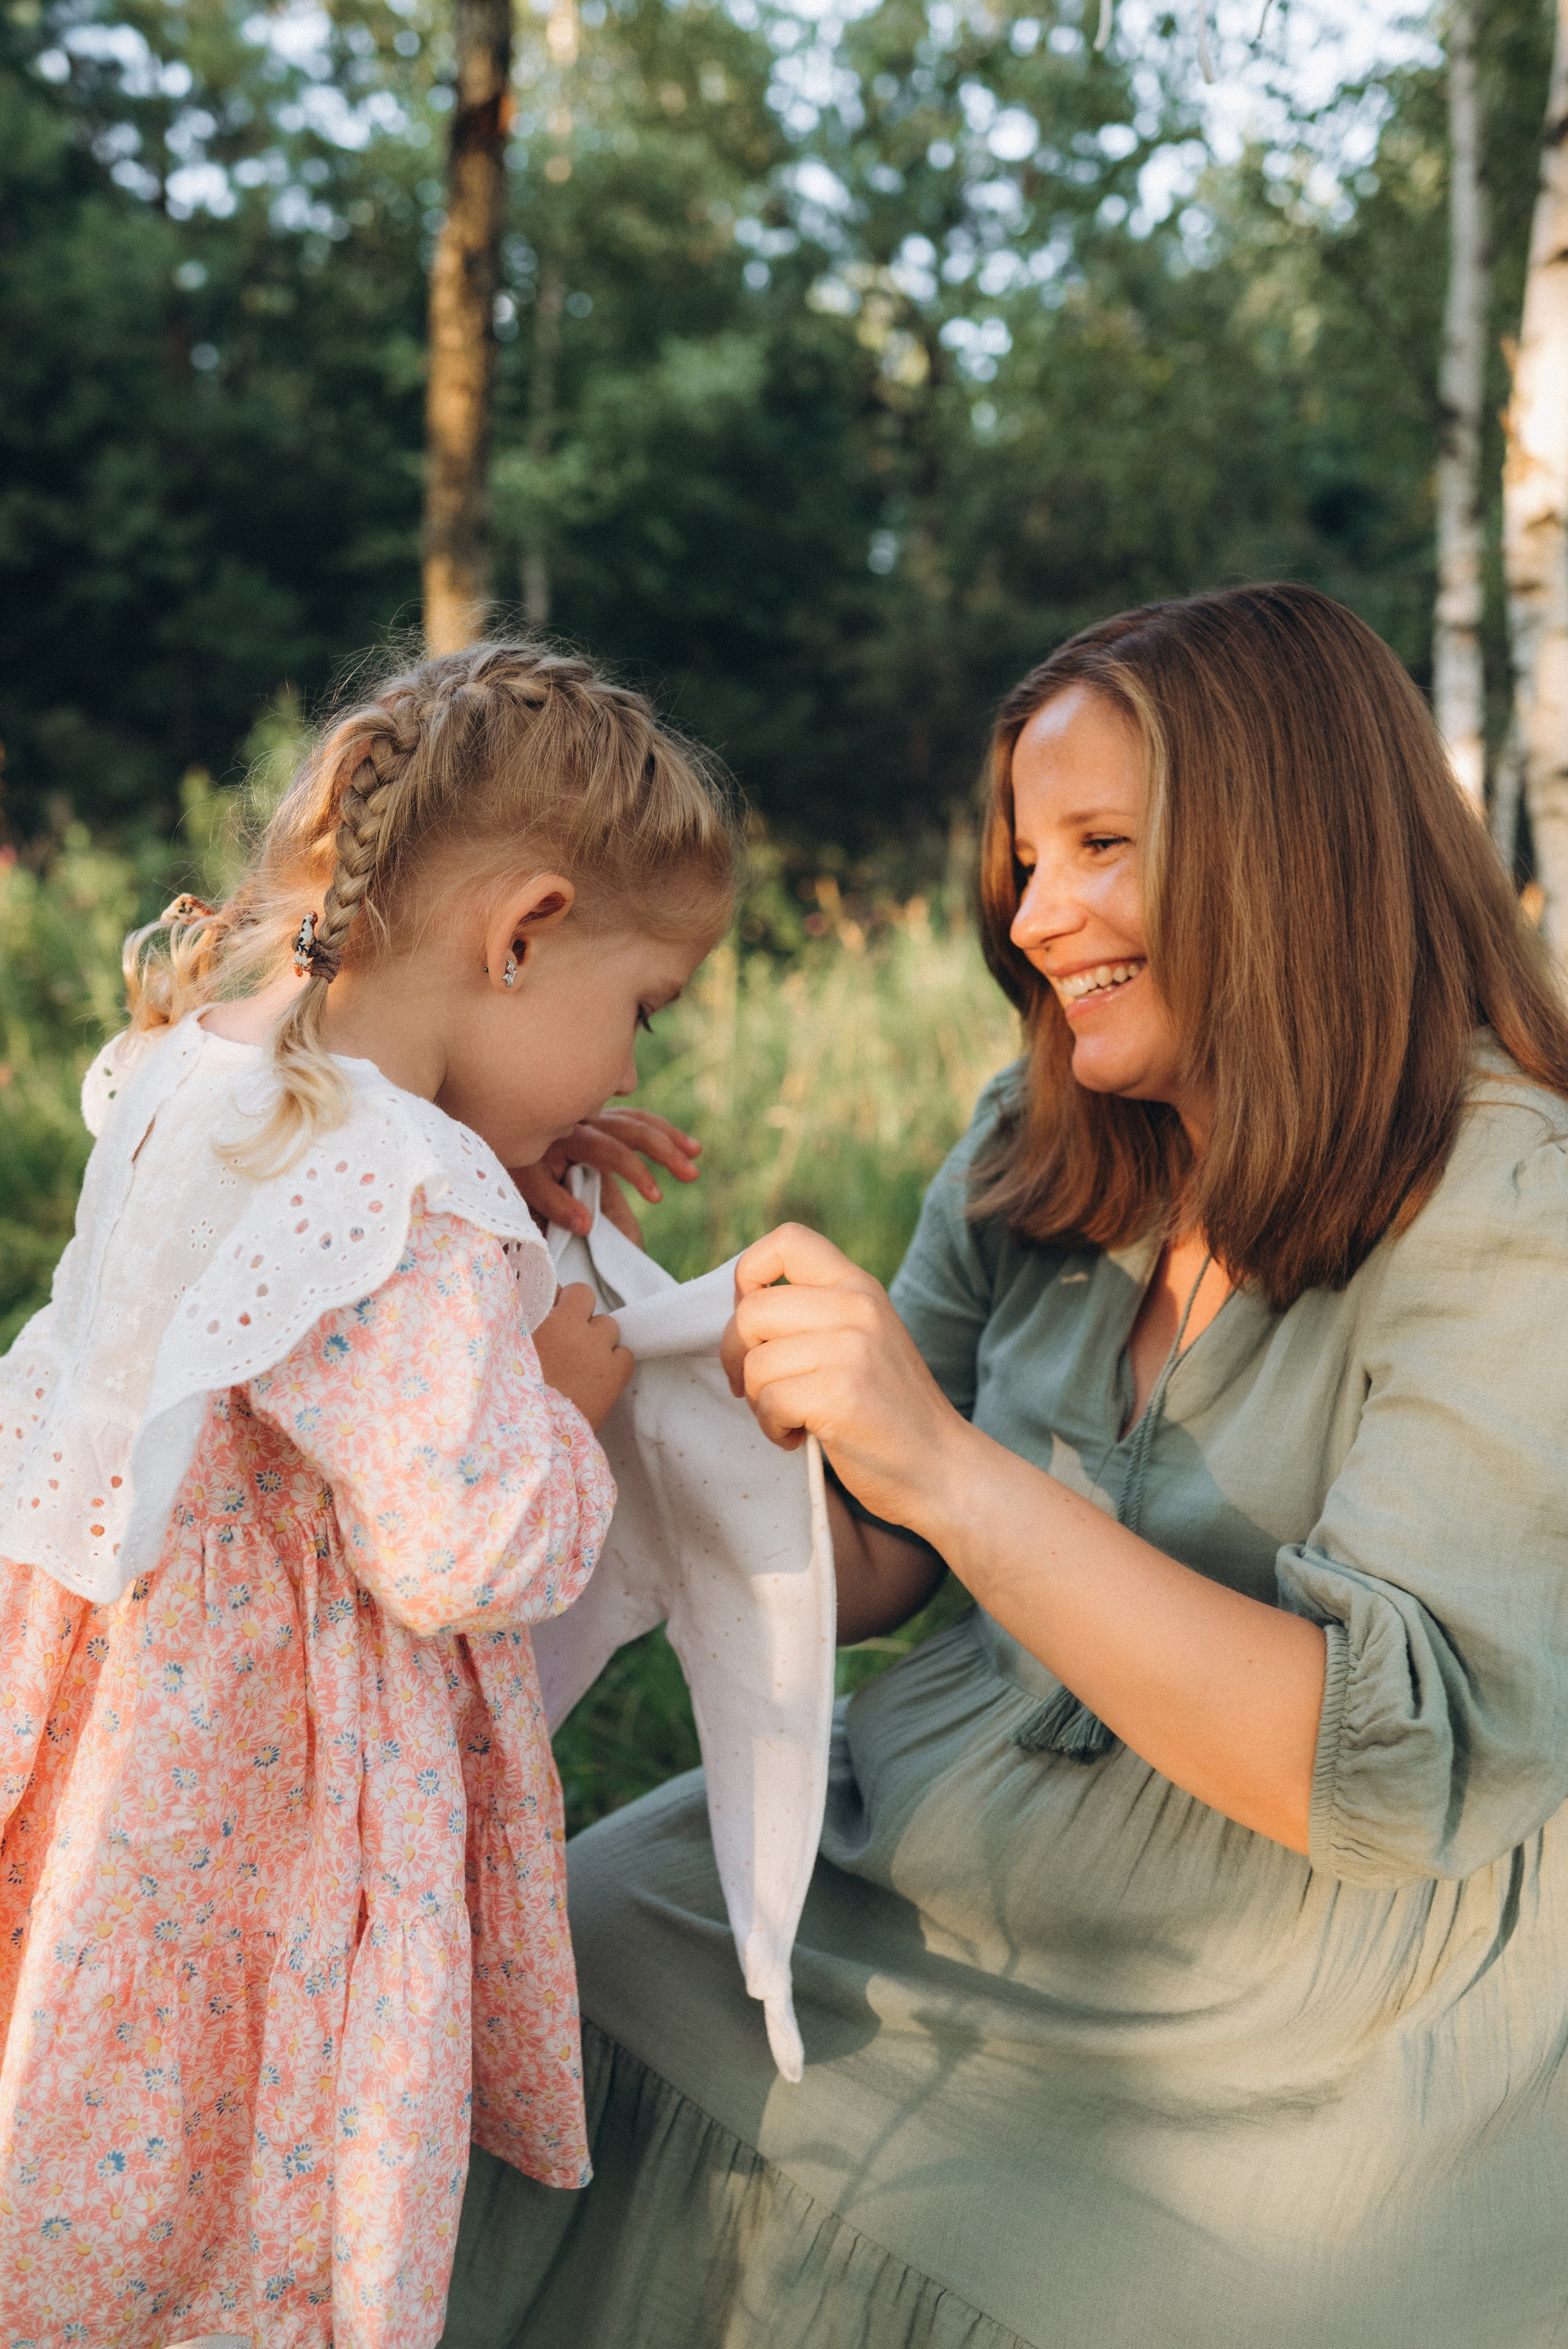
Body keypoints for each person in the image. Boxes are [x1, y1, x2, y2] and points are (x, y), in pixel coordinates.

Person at [440, 585, 1568, 2349]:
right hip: (958, 1830)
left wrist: (951, 1463)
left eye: (1102, 846)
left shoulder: (1506, 1195)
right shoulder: (1040, 1137)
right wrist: (567, 1273)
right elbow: (886, 1550)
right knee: (569, 1946)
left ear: (1293, 851)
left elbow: (1382, 1768)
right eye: (1027, 860)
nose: (1038, 919)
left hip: (1292, 1971)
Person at [0, 642, 734, 2349]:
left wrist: (509, 1177)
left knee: (90, 2087)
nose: (629, 1065)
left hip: (123, 1742)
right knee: (247, 2160)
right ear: (526, 929)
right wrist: (564, 1390)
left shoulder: (200, 1075)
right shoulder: (408, 1203)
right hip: (264, 1805)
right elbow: (468, 1540)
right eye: (642, 1008)